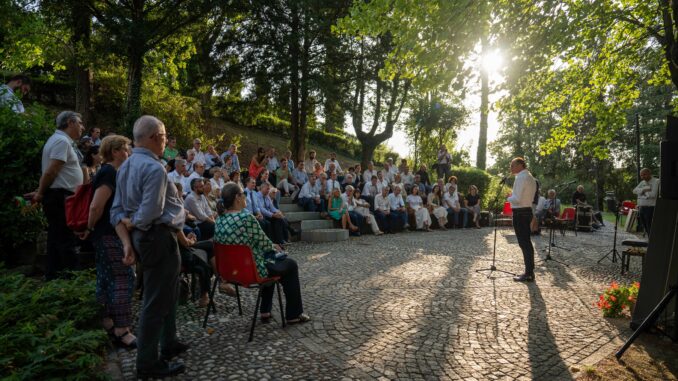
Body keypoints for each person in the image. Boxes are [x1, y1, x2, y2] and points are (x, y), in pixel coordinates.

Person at [110, 115, 187, 378]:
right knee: (156, 300)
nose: (166, 142)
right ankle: (147, 363)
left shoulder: (127, 166)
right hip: (158, 237)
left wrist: (128, 239)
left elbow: (117, 209)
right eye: (165, 137)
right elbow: (150, 212)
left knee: (169, 292)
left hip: (150, 238)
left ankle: (169, 342)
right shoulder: (154, 169)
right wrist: (133, 226)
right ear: (155, 137)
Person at [214, 182, 310, 325]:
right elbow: (265, 244)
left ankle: (265, 310)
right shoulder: (247, 219)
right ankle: (293, 314)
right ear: (237, 198)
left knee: (270, 260)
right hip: (252, 271)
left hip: (231, 272)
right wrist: (276, 247)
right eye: (244, 193)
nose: (246, 196)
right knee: (289, 264)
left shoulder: (219, 220)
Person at [77, 134, 136, 348]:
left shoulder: (110, 171)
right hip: (109, 233)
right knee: (123, 277)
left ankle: (107, 321)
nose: (128, 153)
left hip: (104, 233)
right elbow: (96, 206)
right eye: (125, 149)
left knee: (105, 277)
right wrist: (90, 227)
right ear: (115, 152)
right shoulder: (109, 172)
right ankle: (122, 330)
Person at [26, 111, 85, 280]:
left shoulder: (60, 140)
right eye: (79, 123)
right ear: (69, 122)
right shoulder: (61, 141)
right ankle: (72, 279)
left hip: (58, 195)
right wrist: (40, 193)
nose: (82, 127)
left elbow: (51, 173)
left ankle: (53, 276)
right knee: (66, 239)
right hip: (60, 196)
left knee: (55, 237)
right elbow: (51, 171)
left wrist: (40, 191)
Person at [507, 157, 537, 282]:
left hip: (520, 212)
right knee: (527, 242)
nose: (511, 168)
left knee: (524, 243)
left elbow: (517, 198)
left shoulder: (520, 177)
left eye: (513, 165)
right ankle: (530, 271)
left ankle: (528, 273)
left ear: (520, 165)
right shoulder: (531, 177)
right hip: (527, 211)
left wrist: (508, 197)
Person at [633, 168, 659, 237]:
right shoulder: (642, 182)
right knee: (646, 227)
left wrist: (641, 192)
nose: (643, 177)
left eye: (644, 174)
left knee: (650, 227)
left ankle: (653, 243)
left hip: (650, 208)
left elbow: (653, 194)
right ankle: (650, 242)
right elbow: (634, 191)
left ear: (649, 173)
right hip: (641, 208)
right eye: (641, 175)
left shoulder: (656, 181)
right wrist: (644, 190)